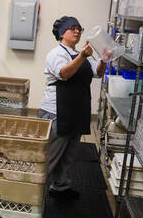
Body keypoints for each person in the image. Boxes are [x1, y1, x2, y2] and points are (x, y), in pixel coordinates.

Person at [39, 16, 105, 197]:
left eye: (79, 29)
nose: (77, 31)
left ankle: (60, 186)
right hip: (57, 111)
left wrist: (104, 59)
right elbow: (64, 74)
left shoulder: (82, 53)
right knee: (52, 155)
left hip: (77, 109)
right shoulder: (56, 54)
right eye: (72, 28)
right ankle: (38, 194)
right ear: (62, 33)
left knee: (69, 154)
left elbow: (97, 73)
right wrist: (83, 56)